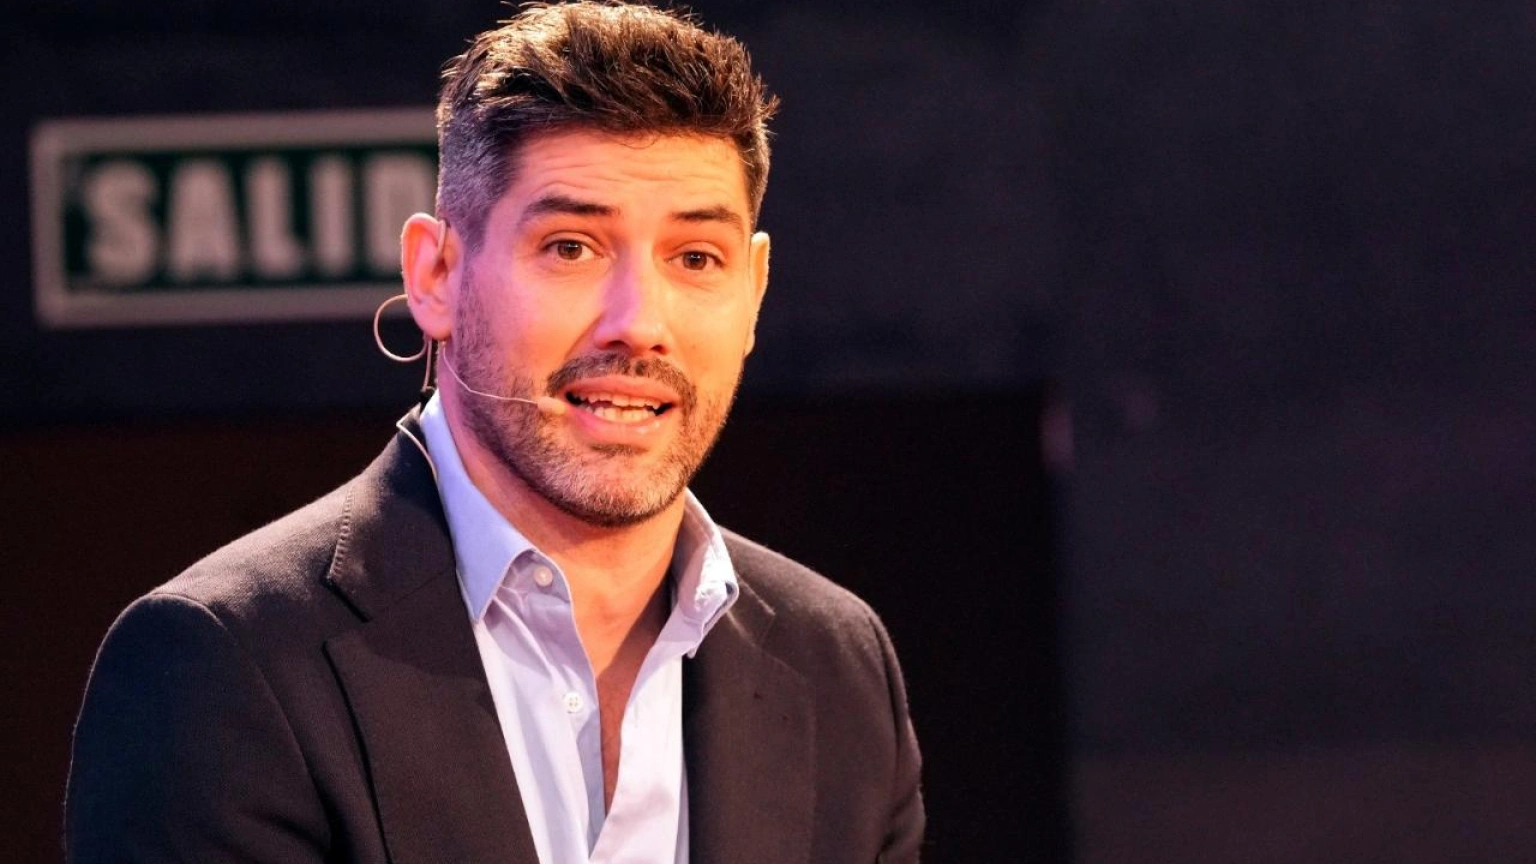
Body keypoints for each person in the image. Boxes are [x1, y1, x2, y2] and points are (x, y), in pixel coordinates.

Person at [64, 3, 923, 863]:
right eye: (572, 247)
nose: (639, 323)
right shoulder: (223, 665)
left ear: (754, 292)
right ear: (436, 275)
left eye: (695, 258)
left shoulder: (839, 666)